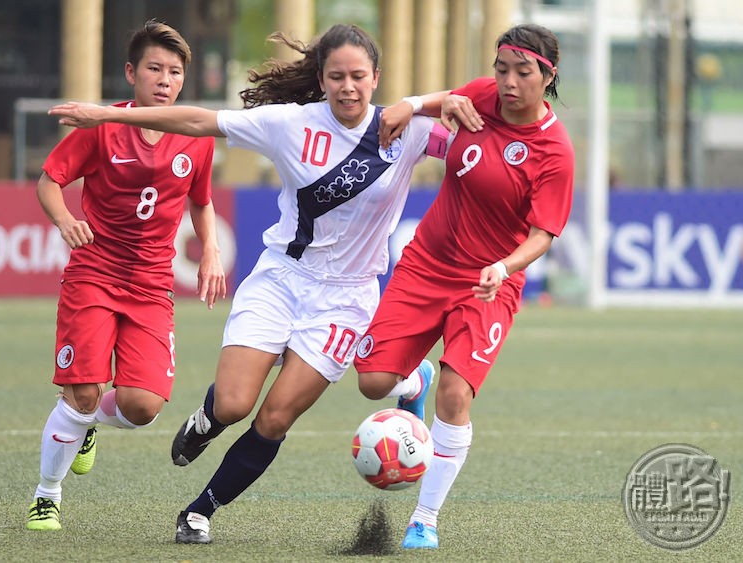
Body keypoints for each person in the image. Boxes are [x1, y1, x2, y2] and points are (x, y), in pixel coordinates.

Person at [49, 23, 480, 544]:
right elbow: (197, 120)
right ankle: (207, 422)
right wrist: (105, 114)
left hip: (345, 299)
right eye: (337, 76)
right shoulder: (289, 124)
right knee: (232, 404)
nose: (348, 87)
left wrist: (417, 104)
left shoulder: (405, 130)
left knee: (274, 417)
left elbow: (478, 124)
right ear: (321, 80)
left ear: (376, 79)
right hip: (280, 278)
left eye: (359, 77)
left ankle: (200, 510)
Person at [355, 23, 574, 550]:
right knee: (372, 383)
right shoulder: (484, 97)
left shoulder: (555, 152)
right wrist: (410, 104)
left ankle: (424, 518)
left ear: (548, 75)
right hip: (427, 264)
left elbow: (543, 234)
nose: (509, 82)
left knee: (457, 396)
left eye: (523, 72)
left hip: (489, 284)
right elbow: (446, 99)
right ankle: (413, 384)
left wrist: (505, 265)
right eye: (502, 70)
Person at [26, 19, 226, 531]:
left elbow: (201, 202)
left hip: (152, 284)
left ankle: (85, 421)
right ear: (131, 73)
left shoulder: (195, 137)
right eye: (155, 68)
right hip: (94, 271)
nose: (165, 79)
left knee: (143, 407)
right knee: (84, 390)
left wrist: (209, 253)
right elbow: (51, 181)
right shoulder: (103, 126)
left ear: (183, 80)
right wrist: (67, 220)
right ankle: (47, 494)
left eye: (175, 71)